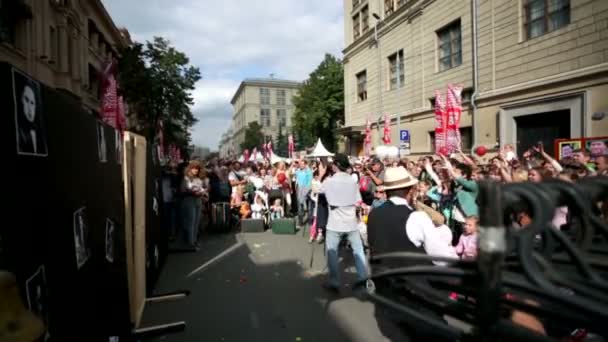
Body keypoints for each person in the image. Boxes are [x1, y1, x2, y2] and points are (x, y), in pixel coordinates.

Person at [319, 153, 368, 293]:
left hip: (334, 223)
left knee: (332, 252)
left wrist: (323, 175)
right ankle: (362, 278)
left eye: (333, 164)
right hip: (351, 222)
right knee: (358, 251)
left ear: (336, 165)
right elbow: (358, 201)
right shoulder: (352, 181)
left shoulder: (329, 181)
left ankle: (334, 281)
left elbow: (318, 190)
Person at [16, 82, 47, 155]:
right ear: (21, 100)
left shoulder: (40, 136)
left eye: (32, 103)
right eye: (26, 100)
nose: (30, 109)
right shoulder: (20, 134)